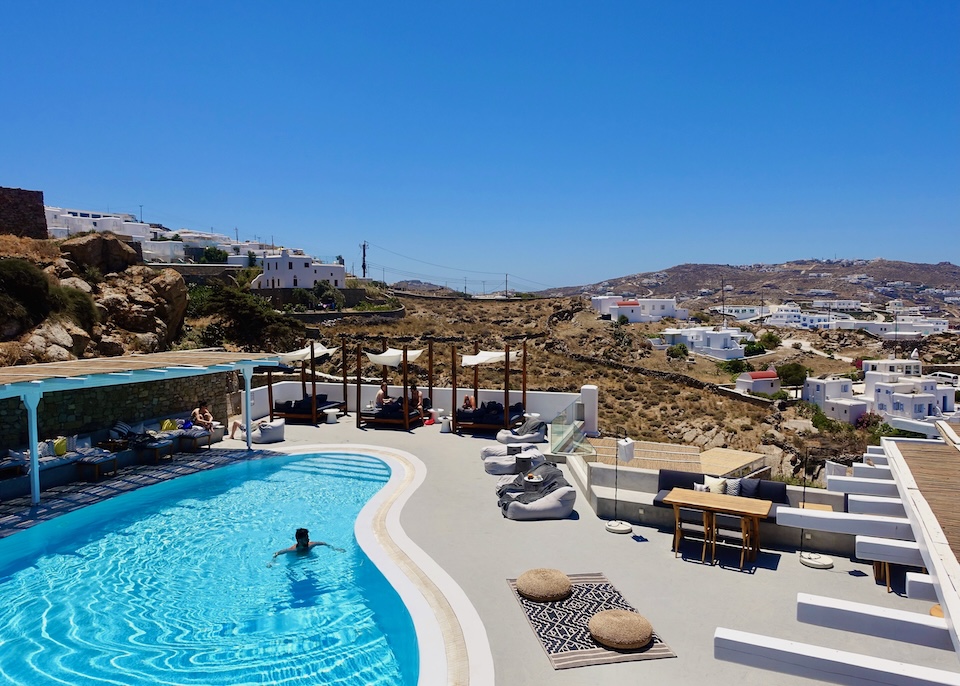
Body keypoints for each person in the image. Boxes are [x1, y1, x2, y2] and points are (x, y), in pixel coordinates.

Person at [273, 528, 344, 557]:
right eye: (306, 538)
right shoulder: (293, 550)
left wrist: (335, 549)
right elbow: (277, 553)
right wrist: (272, 562)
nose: (308, 540)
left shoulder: (310, 545)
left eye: (308, 537)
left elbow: (323, 543)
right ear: (299, 540)